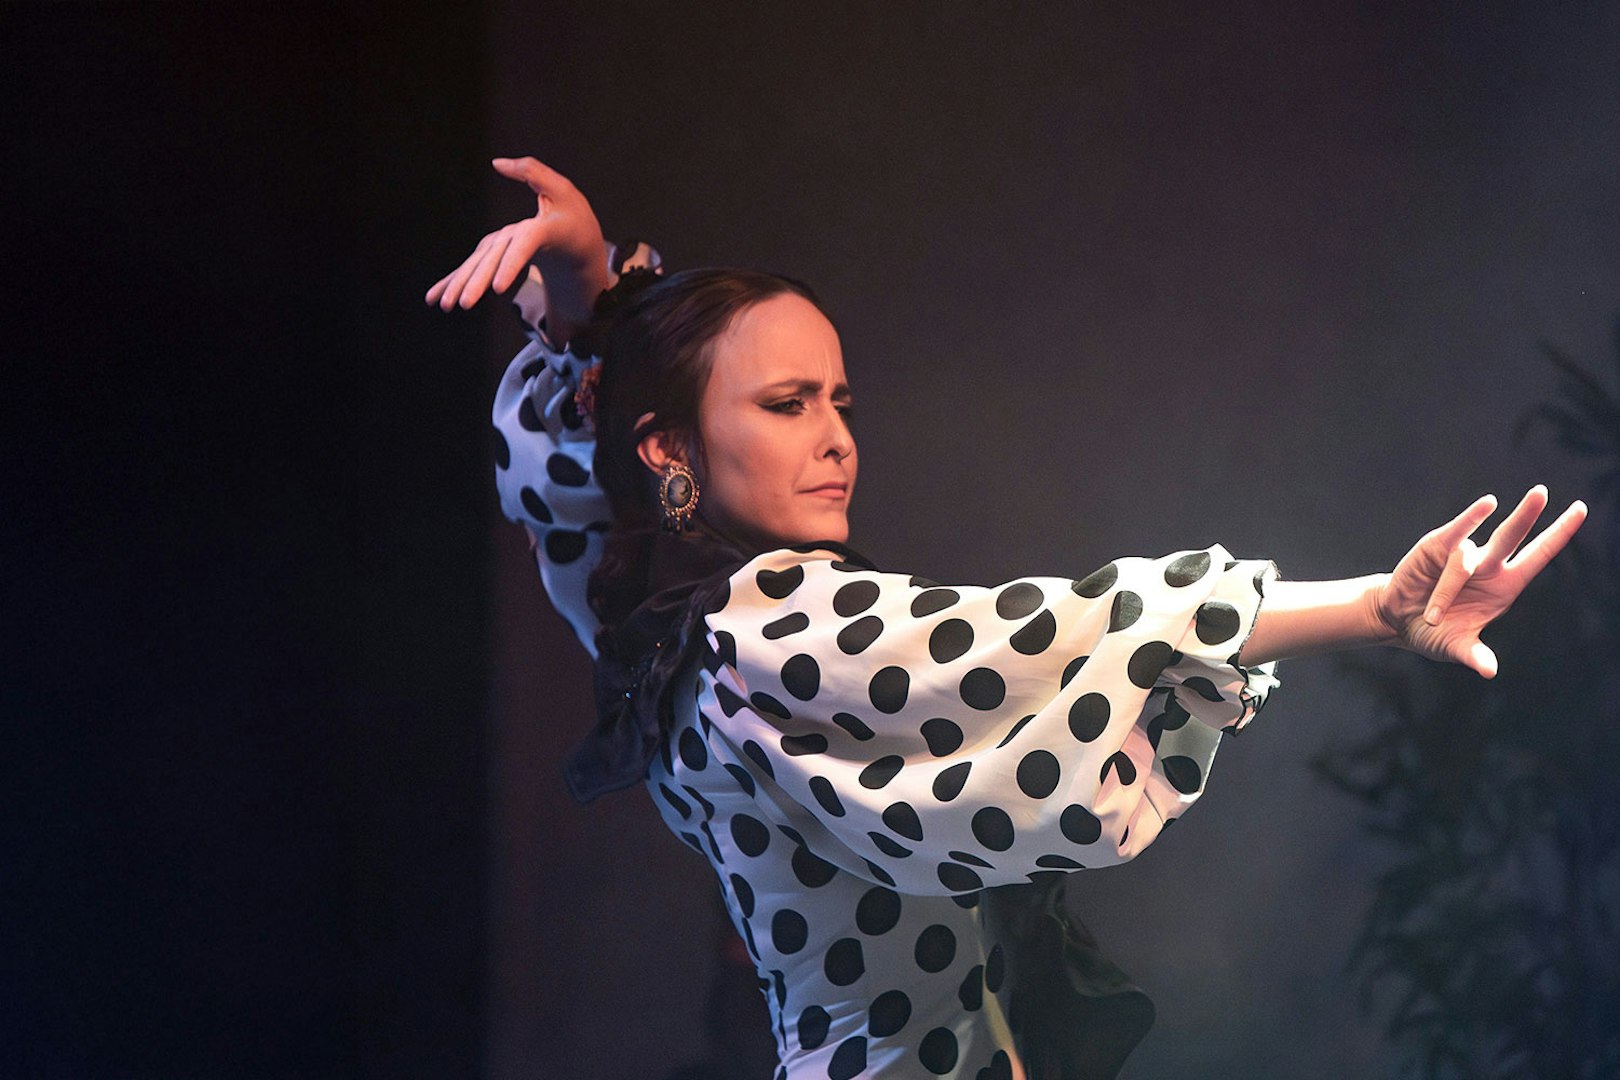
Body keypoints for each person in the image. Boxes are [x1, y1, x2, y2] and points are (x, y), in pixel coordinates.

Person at [427, 157, 1587, 1080]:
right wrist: (1372, 609)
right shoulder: (764, 631)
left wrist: (593, 293)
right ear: (670, 450)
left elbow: (582, 484)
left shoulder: (665, 635)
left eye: (839, 400)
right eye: (787, 404)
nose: (836, 435)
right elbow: (1060, 634)